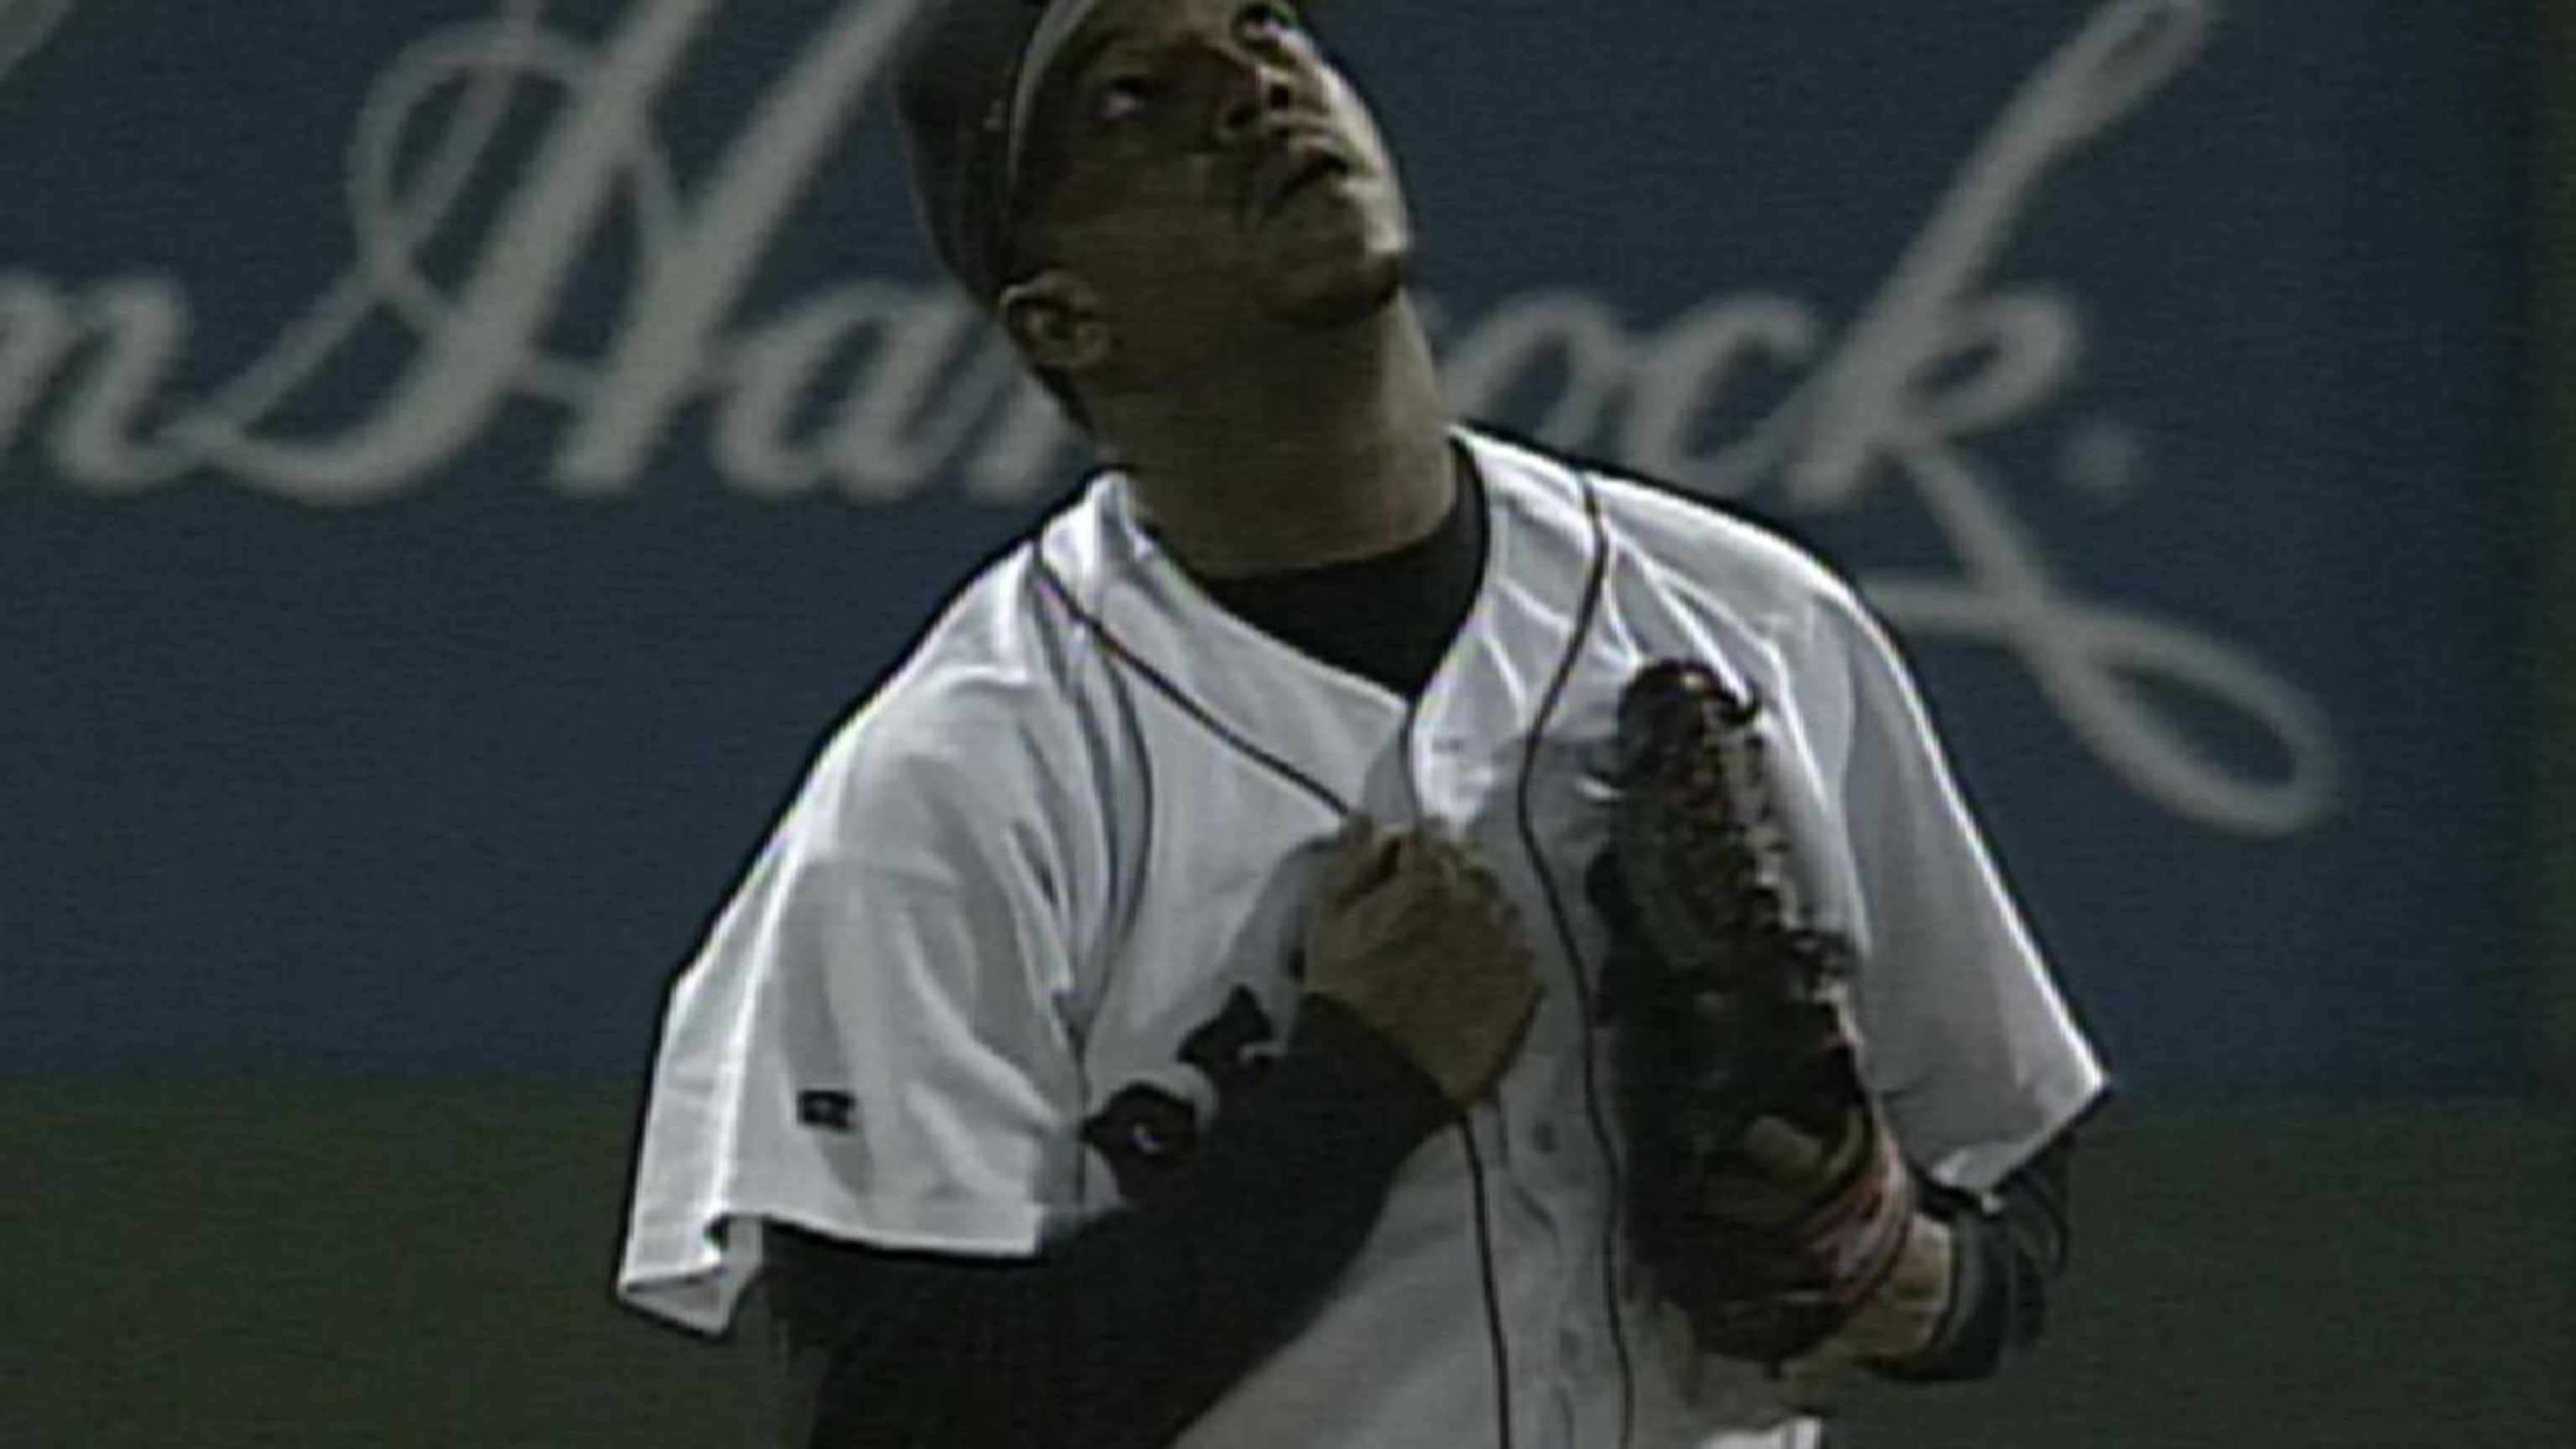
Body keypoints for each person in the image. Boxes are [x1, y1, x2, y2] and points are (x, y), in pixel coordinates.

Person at [615, 3, 2106, 1446]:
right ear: (1064, 319)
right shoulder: (958, 788)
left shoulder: (1754, 624)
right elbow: (902, 1411)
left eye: (1263, 27)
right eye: (1138, 98)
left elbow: (2010, 1201)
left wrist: (1871, 1255)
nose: (1254, 91)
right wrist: (1351, 1093)